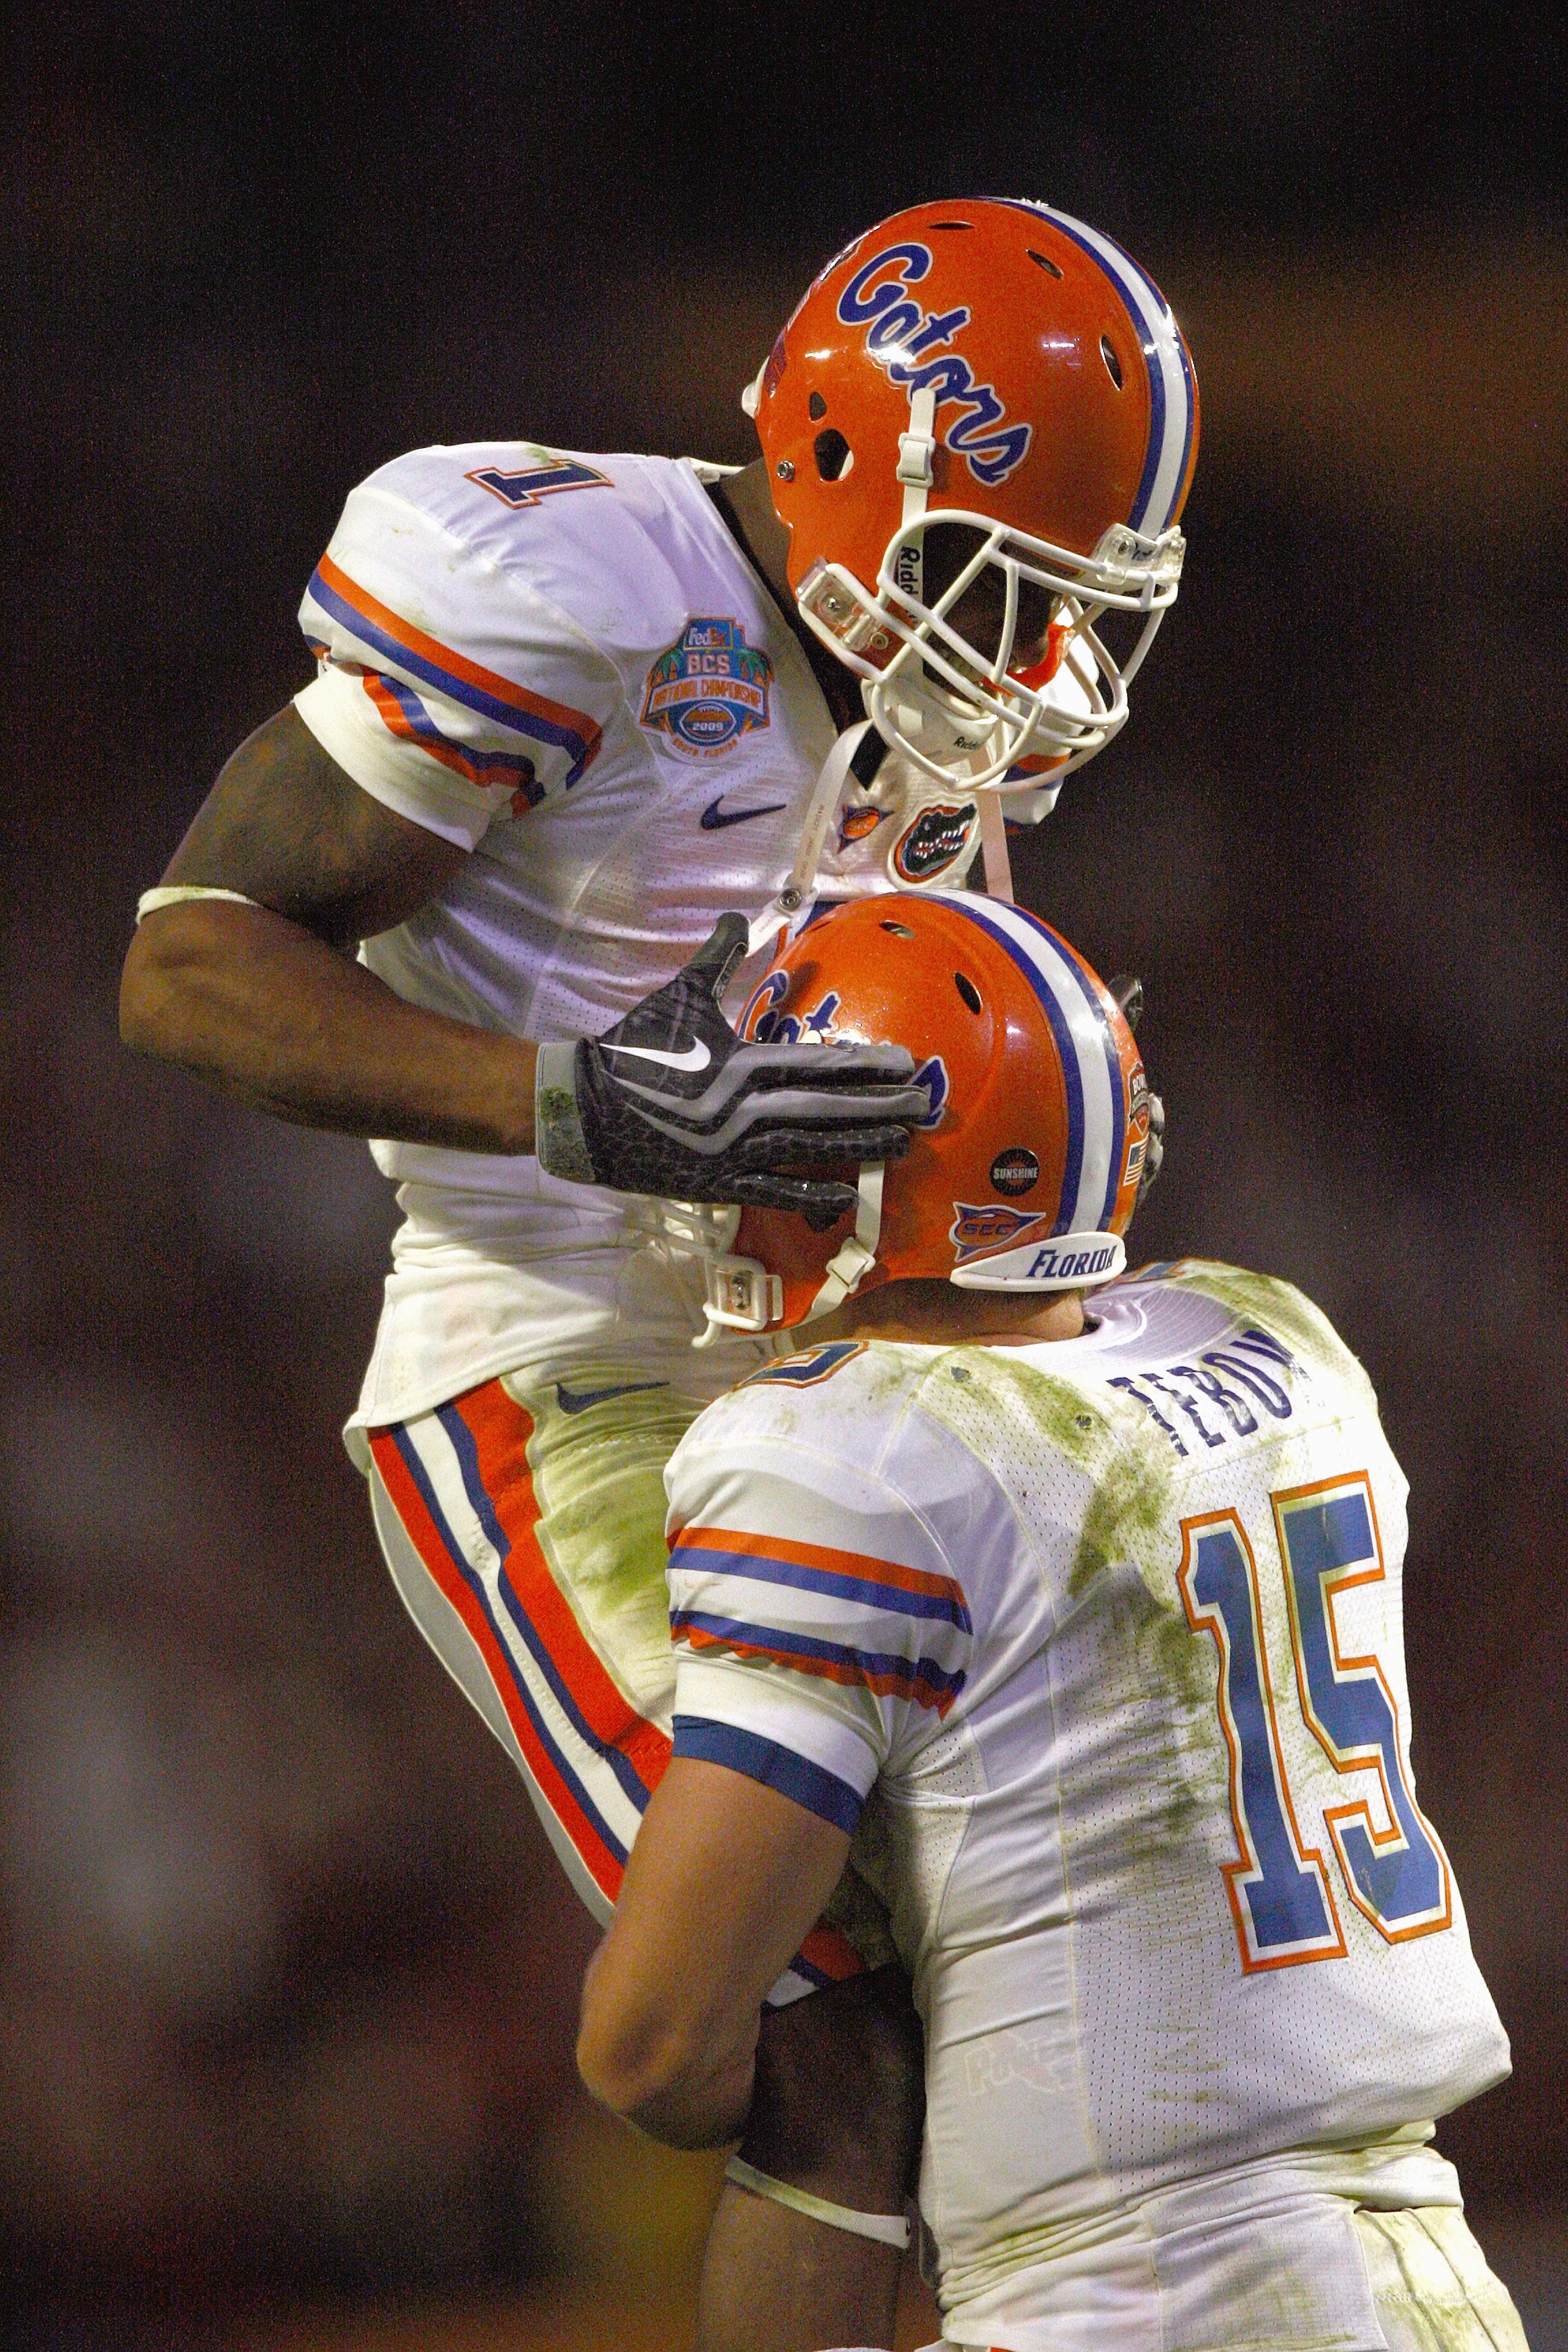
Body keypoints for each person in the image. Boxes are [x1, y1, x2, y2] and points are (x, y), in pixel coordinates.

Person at [118, 198, 1199, 2349]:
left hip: (843, 1374)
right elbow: (186, 965)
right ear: (847, 459)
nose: (1042, 669)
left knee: (1089, 1961)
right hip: (564, 1373)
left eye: (1088, 614)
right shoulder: (584, 595)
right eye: (1008, 589)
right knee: (834, 2028)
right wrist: (580, 1101)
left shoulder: (907, 701)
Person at [578, 890, 1529, 2352]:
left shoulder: (844, 1450)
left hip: (1145, 2299)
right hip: (1431, 2274)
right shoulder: (1283, 1336)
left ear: (852, 1175)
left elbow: (653, 2046)